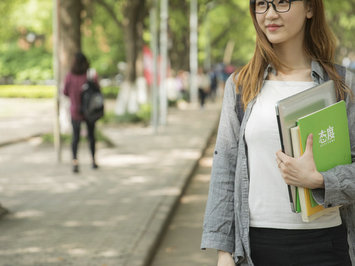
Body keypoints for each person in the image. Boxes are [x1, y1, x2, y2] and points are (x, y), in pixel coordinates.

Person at [201, 0, 355, 265]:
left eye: (282, 2)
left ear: (309, 9)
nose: (270, 14)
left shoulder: (343, 85)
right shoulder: (240, 85)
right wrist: (224, 253)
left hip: (326, 245)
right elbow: (224, 168)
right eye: (262, 4)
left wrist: (319, 179)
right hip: (258, 247)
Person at [63, 52, 99, 173]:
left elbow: (65, 92)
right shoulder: (90, 74)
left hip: (75, 110)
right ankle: (93, 161)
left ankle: (75, 162)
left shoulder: (69, 76)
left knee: (75, 137)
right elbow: (98, 90)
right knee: (91, 136)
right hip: (90, 111)